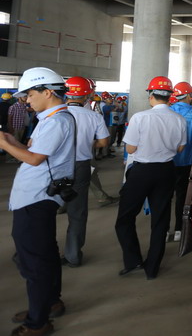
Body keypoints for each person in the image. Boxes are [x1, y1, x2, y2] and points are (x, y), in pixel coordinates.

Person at [0, 67, 76, 336]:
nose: (27, 100)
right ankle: (50, 302)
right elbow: (33, 151)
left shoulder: (57, 122)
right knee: (43, 254)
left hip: (36, 198)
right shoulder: (51, 118)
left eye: (31, 94)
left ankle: (38, 321)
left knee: (33, 260)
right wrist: (12, 141)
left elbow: (34, 159)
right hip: (36, 197)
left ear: (48, 92)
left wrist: (4, 144)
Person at [115, 76, 186, 280]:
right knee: (160, 220)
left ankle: (133, 260)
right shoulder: (179, 119)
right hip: (166, 171)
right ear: (169, 96)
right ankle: (152, 267)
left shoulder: (140, 117)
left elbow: (130, 149)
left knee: (125, 218)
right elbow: (180, 148)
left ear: (151, 95)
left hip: (142, 171)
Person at [61, 76, 111, 268]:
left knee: (45, 209)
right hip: (81, 165)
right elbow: (104, 142)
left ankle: (41, 253)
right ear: (87, 95)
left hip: (55, 166)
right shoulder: (94, 116)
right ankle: (73, 255)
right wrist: (87, 145)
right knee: (77, 212)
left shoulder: (56, 113)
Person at [169, 81, 192, 242]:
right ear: (189, 96)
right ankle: (178, 229)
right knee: (182, 196)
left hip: (167, 161)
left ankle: (163, 230)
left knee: (165, 196)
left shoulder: (168, 110)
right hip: (186, 161)